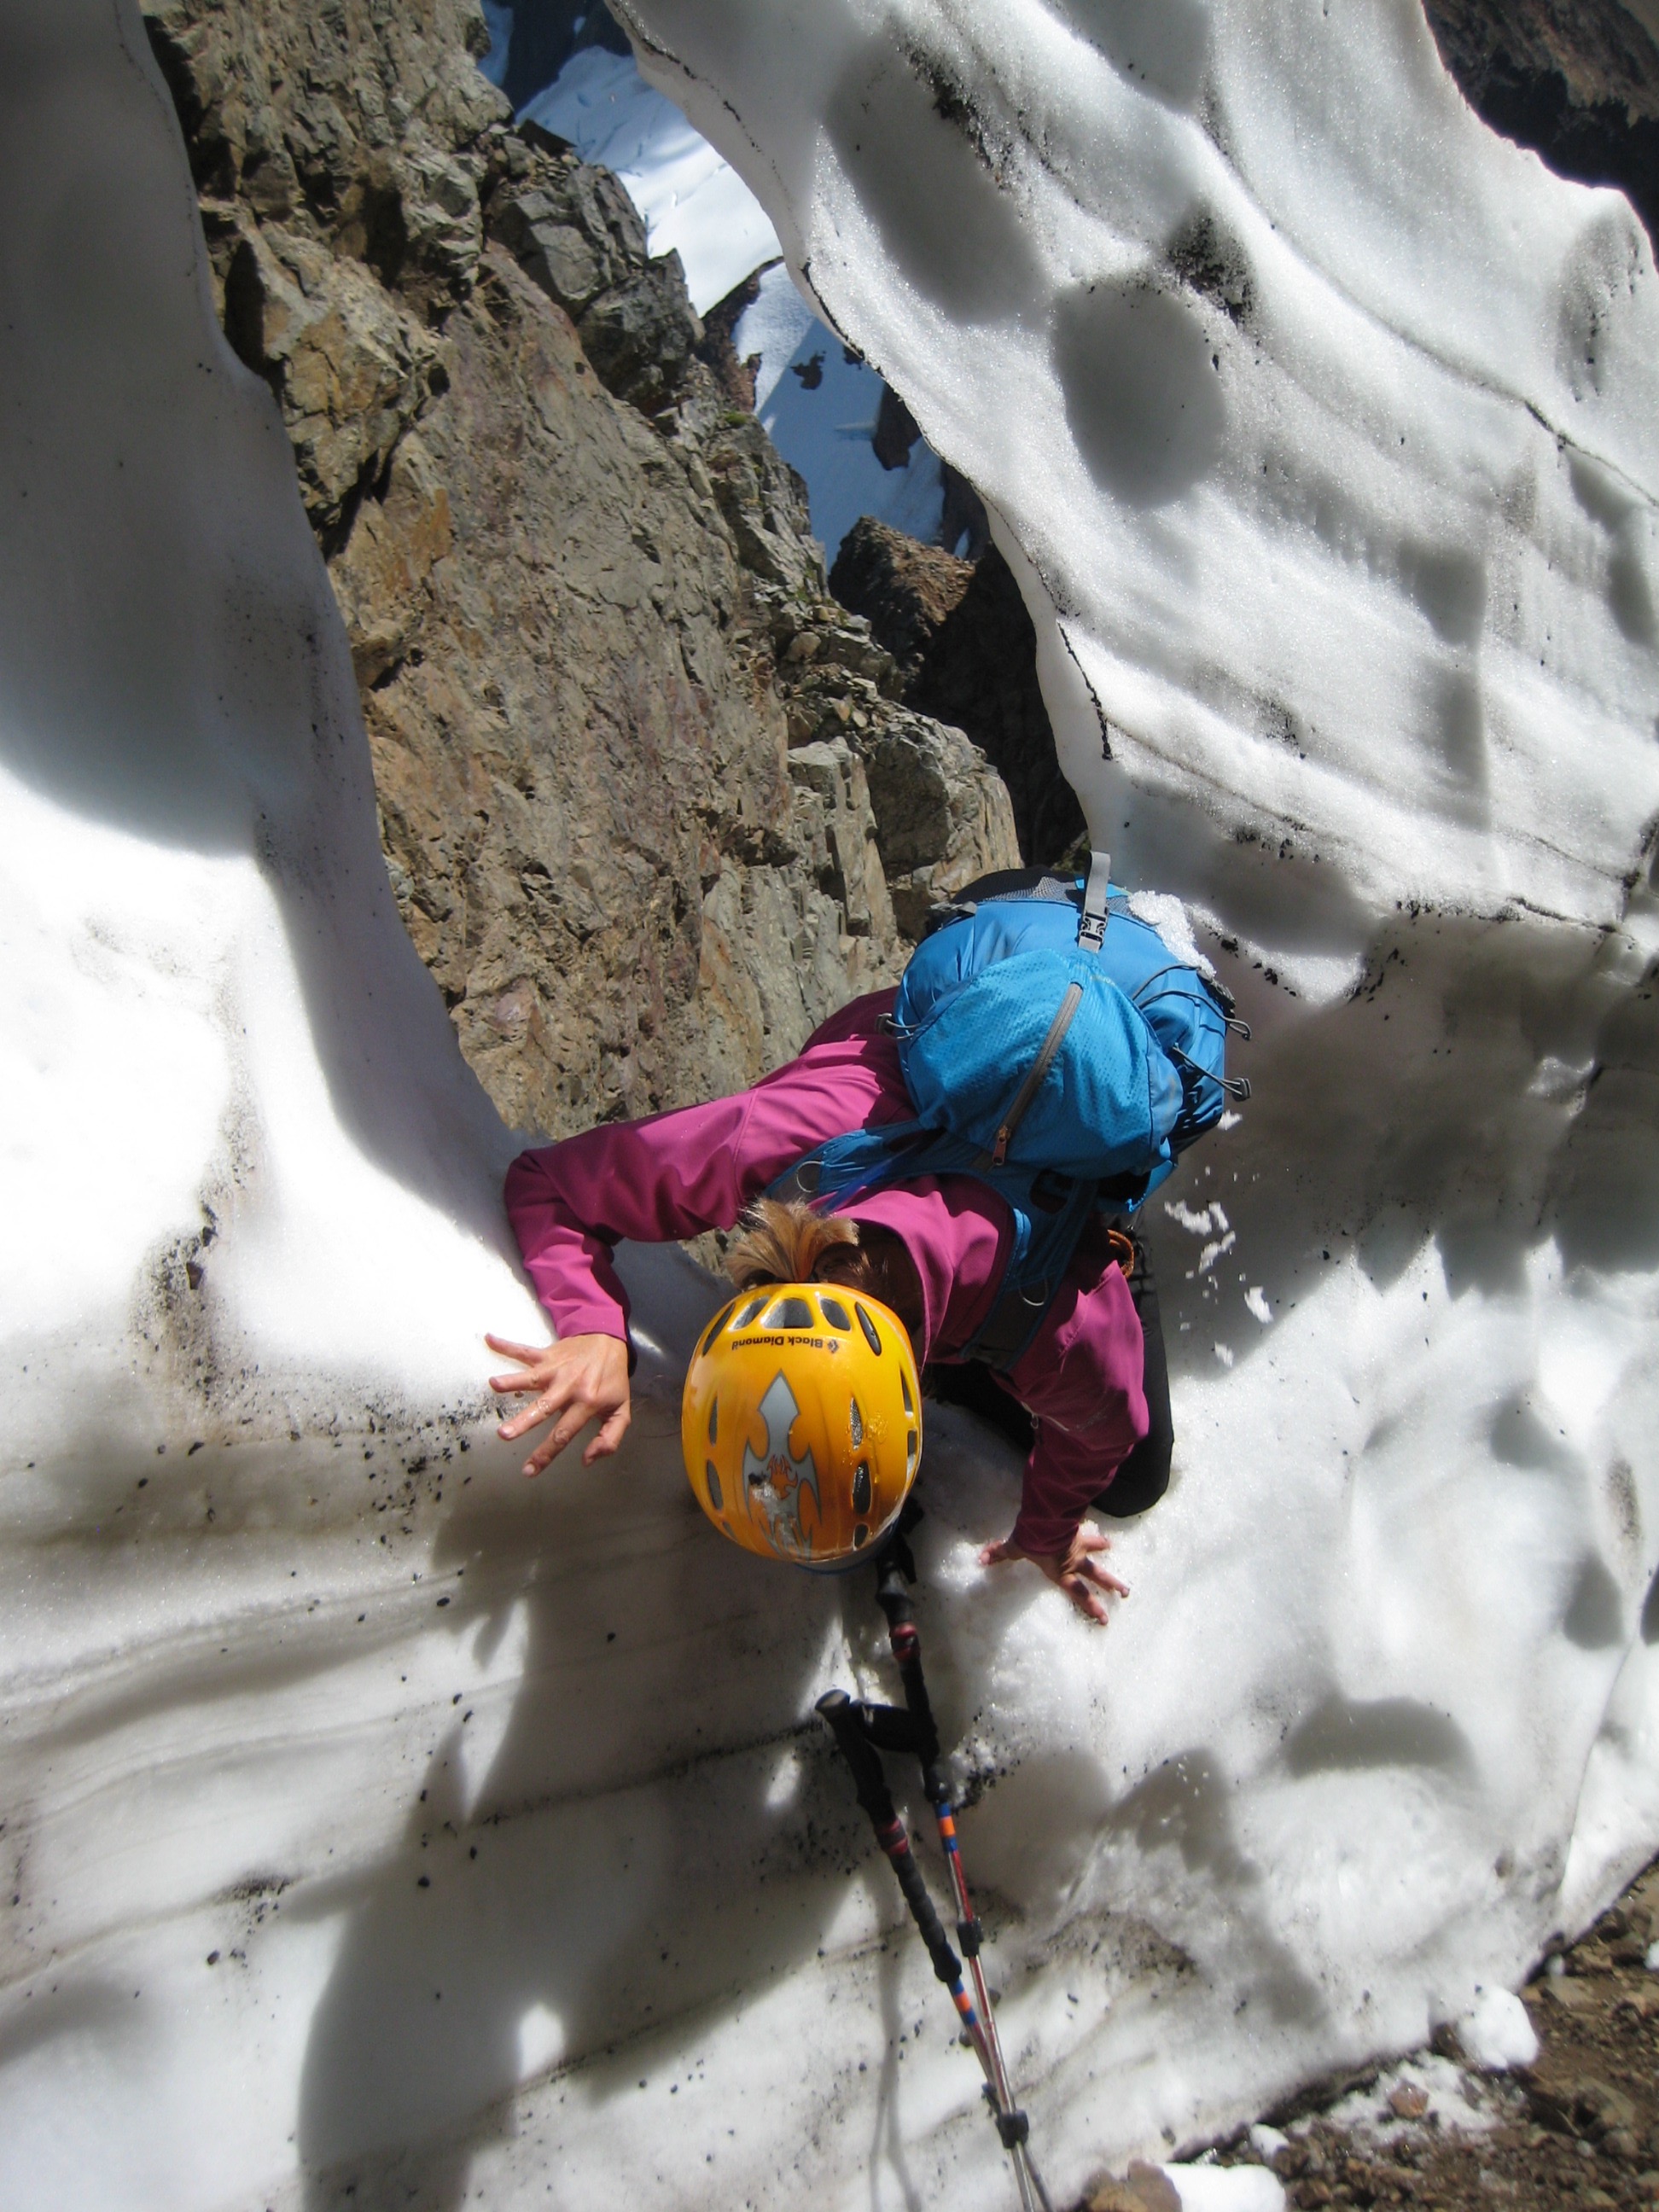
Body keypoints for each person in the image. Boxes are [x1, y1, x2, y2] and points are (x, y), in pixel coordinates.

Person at [489, 984, 1175, 1624]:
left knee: (1133, 1484)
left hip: (1069, 1137)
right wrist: (595, 1329)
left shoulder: (1060, 1324)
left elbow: (1108, 1431)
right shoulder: (766, 1148)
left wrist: (1048, 1535)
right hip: (898, 1094)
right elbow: (549, 1184)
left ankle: (1111, 1228)